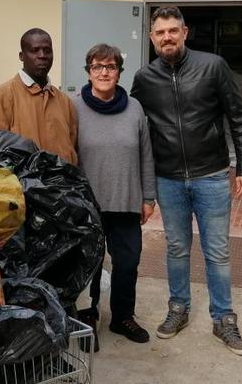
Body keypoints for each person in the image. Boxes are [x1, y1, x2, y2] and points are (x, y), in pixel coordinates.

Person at [130, 6, 242, 356]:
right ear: (152, 37)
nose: (167, 37)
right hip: (168, 179)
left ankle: (224, 319)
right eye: (160, 32)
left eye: (173, 30)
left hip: (211, 175)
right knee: (176, 248)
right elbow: (134, 129)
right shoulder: (144, 79)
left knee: (217, 251)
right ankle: (178, 308)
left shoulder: (213, 66)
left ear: (185, 32)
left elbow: (238, 117)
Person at [73, 44, 156, 349]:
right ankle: (87, 318)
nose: (104, 72)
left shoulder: (134, 108)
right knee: (90, 266)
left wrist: (149, 197)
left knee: (127, 262)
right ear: (89, 71)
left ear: (120, 71)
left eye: (111, 67)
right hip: (87, 206)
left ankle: (122, 317)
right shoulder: (74, 107)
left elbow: (146, 154)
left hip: (126, 201)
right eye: (97, 67)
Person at [0, 28, 78, 165]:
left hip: (63, 185)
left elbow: (72, 149)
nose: (42, 55)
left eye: (47, 50)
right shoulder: (1, 97)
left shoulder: (65, 102)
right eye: (35, 50)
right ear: (21, 56)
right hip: (21, 185)